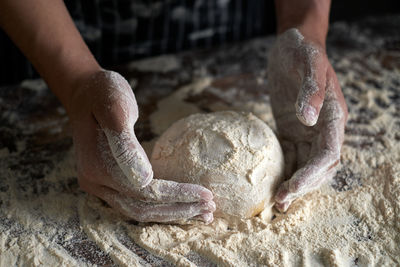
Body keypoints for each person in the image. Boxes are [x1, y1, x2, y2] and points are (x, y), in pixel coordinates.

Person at [0, 0, 347, 223]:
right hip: (71, 32)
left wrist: (307, 29)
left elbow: (306, 23)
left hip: (231, 26)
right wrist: (76, 83)